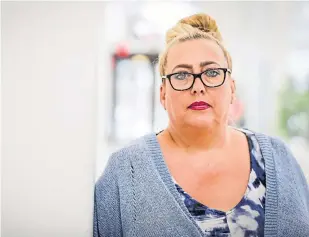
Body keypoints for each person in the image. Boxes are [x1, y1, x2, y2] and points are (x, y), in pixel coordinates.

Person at [93, 13, 309, 237]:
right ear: (163, 94)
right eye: (182, 75)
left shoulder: (279, 158)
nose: (197, 87)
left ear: (232, 89)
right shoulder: (125, 173)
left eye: (212, 72)